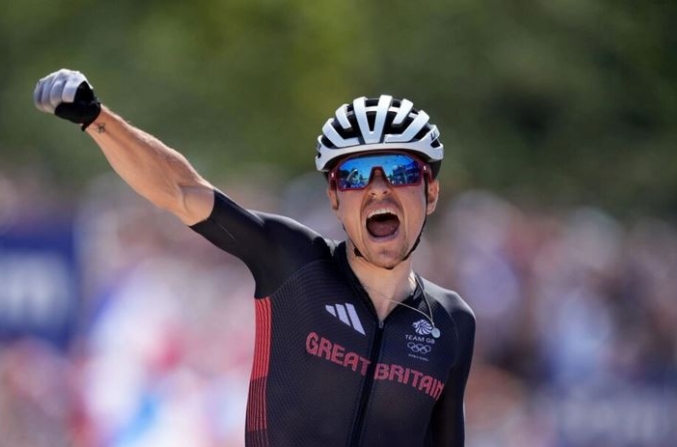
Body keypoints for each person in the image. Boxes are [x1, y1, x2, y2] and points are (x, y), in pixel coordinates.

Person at [34, 69, 476, 447]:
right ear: (335, 198)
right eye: (356, 175)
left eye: (400, 172)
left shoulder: (452, 322)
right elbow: (181, 191)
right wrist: (96, 119)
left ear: (431, 192)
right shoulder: (295, 264)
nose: (378, 190)